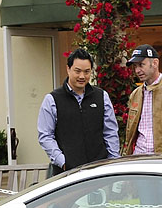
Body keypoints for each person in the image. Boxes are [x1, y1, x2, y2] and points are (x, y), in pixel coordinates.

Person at [37, 48, 119, 176]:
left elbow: (110, 132)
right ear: (68, 69)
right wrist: (62, 161)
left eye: (87, 72)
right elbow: (45, 136)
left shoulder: (102, 97)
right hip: (66, 174)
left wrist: (113, 162)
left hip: (99, 172)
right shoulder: (52, 100)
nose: (82, 76)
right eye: (77, 71)